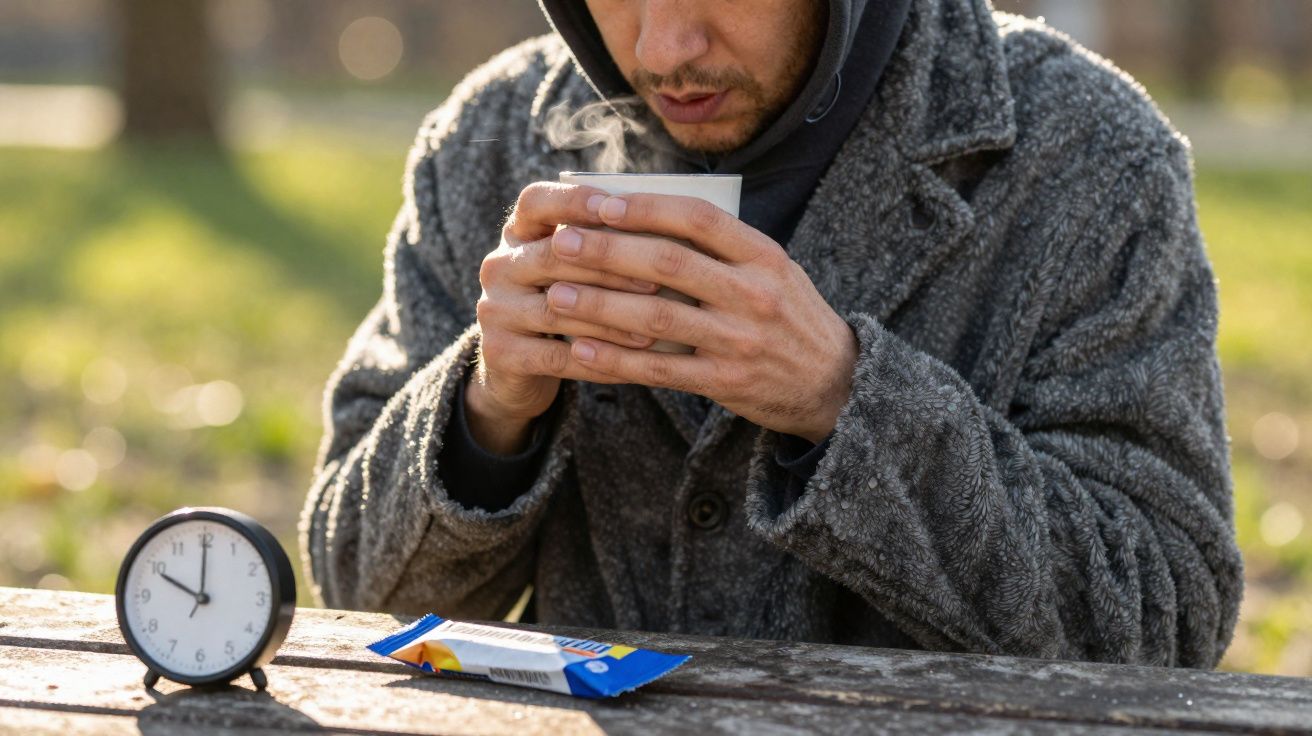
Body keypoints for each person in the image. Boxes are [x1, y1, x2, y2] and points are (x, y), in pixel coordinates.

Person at [301, 0, 1243, 668]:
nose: (664, 45)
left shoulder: (1088, 153)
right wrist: (485, 414)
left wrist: (844, 398)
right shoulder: (492, 139)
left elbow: (1163, 618)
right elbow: (354, 589)